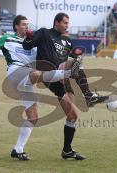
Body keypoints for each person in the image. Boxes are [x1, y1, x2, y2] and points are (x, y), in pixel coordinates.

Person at [0, 15, 81, 161]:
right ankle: (66, 74)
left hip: (27, 80)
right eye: (23, 24)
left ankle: (18, 149)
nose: (27, 27)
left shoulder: (33, 42)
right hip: (16, 74)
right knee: (35, 74)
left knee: (33, 117)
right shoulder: (7, 39)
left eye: (28, 24)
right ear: (16, 26)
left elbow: (46, 57)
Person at [23, 12, 109, 160]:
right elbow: (27, 45)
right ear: (56, 22)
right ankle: (88, 95)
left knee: (73, 115)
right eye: (64, 23)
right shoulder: (44, 32)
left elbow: (77, 55)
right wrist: (29, 36)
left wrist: (79, 55)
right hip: (48, 72)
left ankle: (67, 151)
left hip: (61, 78)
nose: (67, 25)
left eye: (68, 23)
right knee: (75, 63)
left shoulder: (68, 41)